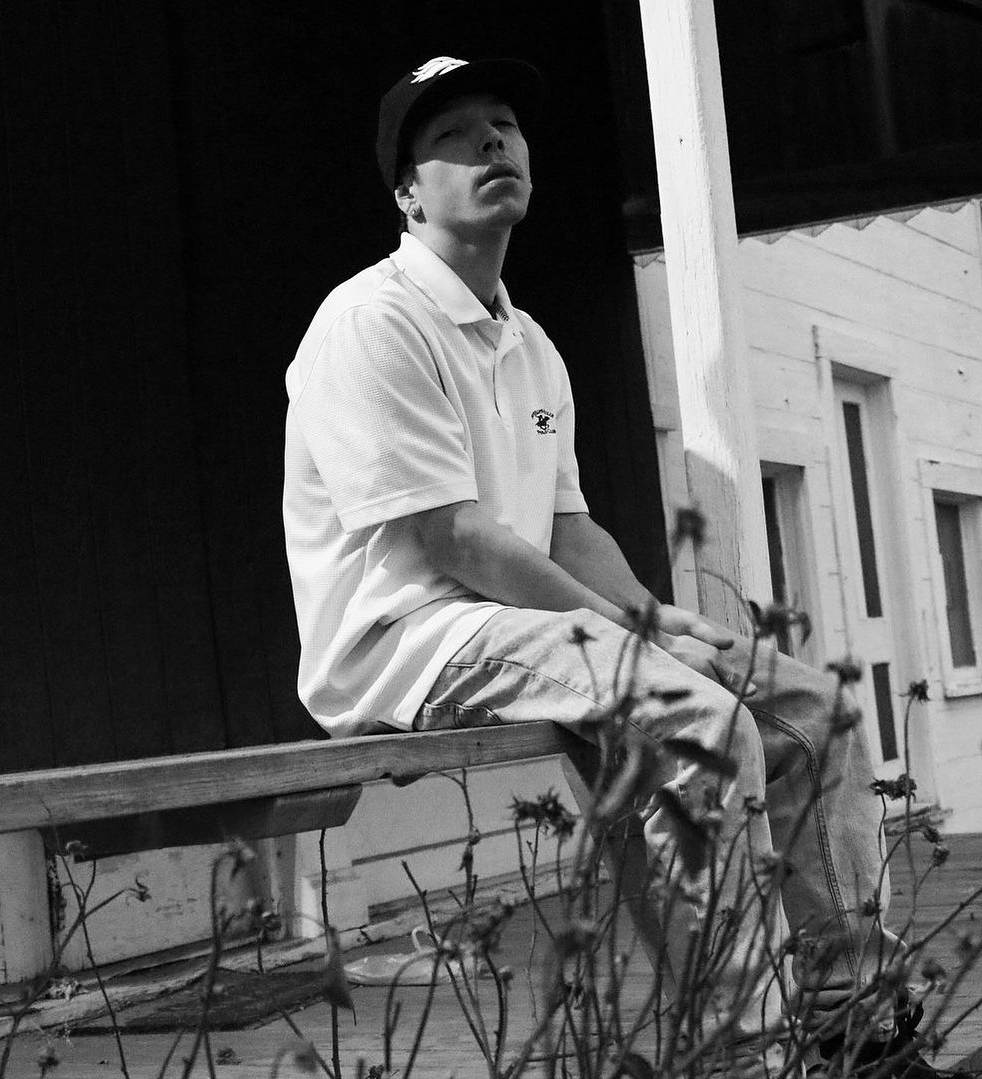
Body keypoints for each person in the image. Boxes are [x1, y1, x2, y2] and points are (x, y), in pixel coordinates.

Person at [283, 56, 959, 1078]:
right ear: (407, 193)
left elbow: (564, 527)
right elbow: (451, 538)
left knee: (811, 710)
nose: (492, 142)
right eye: (454, 135)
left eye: (503, 123)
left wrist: (648, 613)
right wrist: (628, 636)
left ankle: (852, 1027)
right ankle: (738, 1051)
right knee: (700, 723)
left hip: (514, 622)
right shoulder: (371, 321)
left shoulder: (529, 344)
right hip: (408, 638)